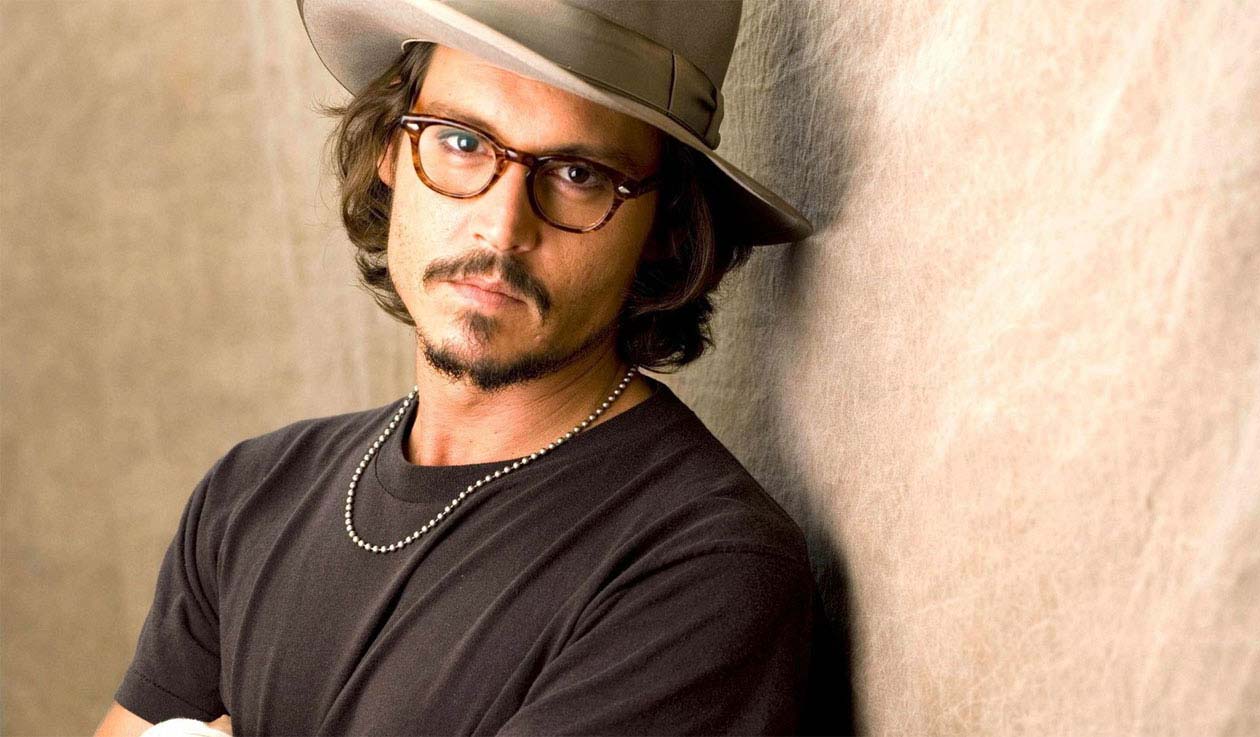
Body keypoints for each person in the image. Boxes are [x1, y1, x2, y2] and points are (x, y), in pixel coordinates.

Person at [95, 1, 816, 735]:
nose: (501, 228)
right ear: (390, 148)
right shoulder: (250, 495)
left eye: (578, 173)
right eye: (463, 141)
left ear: (665, 226)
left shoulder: (703, 568)